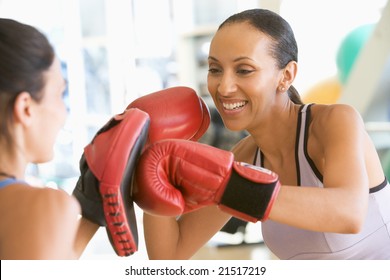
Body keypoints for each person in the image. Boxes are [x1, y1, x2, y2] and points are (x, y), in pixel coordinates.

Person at [135, 9, 390, 260]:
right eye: (215, 69)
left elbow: (349, 213)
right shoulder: (243, 159)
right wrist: (154, 161)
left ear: (286, 75)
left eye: (244, 70)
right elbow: (169, 255)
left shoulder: (335, 122)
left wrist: (231, 188)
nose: (224, 87)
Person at [0, 18, 211, 259]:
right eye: (60, 94)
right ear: (26, 108)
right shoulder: (45, 208)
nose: (63, 113)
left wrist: (91, 210)